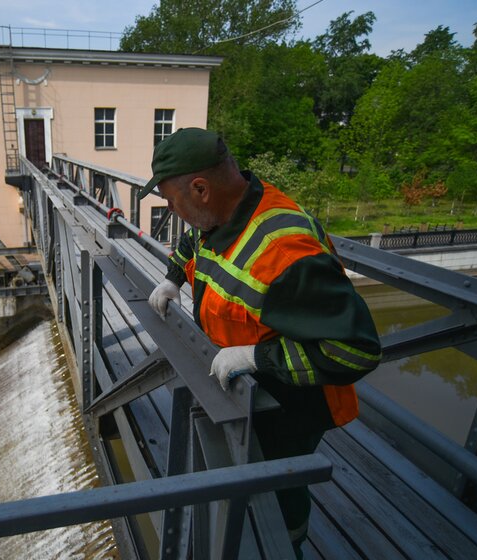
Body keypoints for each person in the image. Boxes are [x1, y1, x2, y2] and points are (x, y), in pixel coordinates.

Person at [140, 127, 381, 557]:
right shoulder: (224, 209)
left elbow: (355, 350)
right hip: (250, 385)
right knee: (246, 476)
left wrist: (256, 356)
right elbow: (194, 239)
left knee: (280, 491)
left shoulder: (285, 253)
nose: (172, 211)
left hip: (294, 404)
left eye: (171, 200)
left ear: (201, 188)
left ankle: (286, 548)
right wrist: (172, 277)